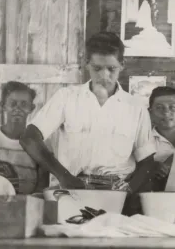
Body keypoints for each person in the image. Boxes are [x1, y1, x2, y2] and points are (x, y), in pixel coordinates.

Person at [20, 32, 157, 197]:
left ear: (122, 64)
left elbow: (147, 161)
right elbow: (29, 138)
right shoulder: (66, 97)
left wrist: (127, 191)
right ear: (86, 64)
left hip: (116, 193)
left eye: (111, 69)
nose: (104, 76)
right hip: (71, 190)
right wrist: (64, 177)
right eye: (97, 68)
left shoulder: (136, 107)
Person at [0, 81, 50, 194]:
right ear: (3, 105)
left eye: (24, 104)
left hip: (27, 203)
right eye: (12, 104)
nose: (17, 109)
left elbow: (42, 183)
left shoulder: (38, 142)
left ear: (31, 108)